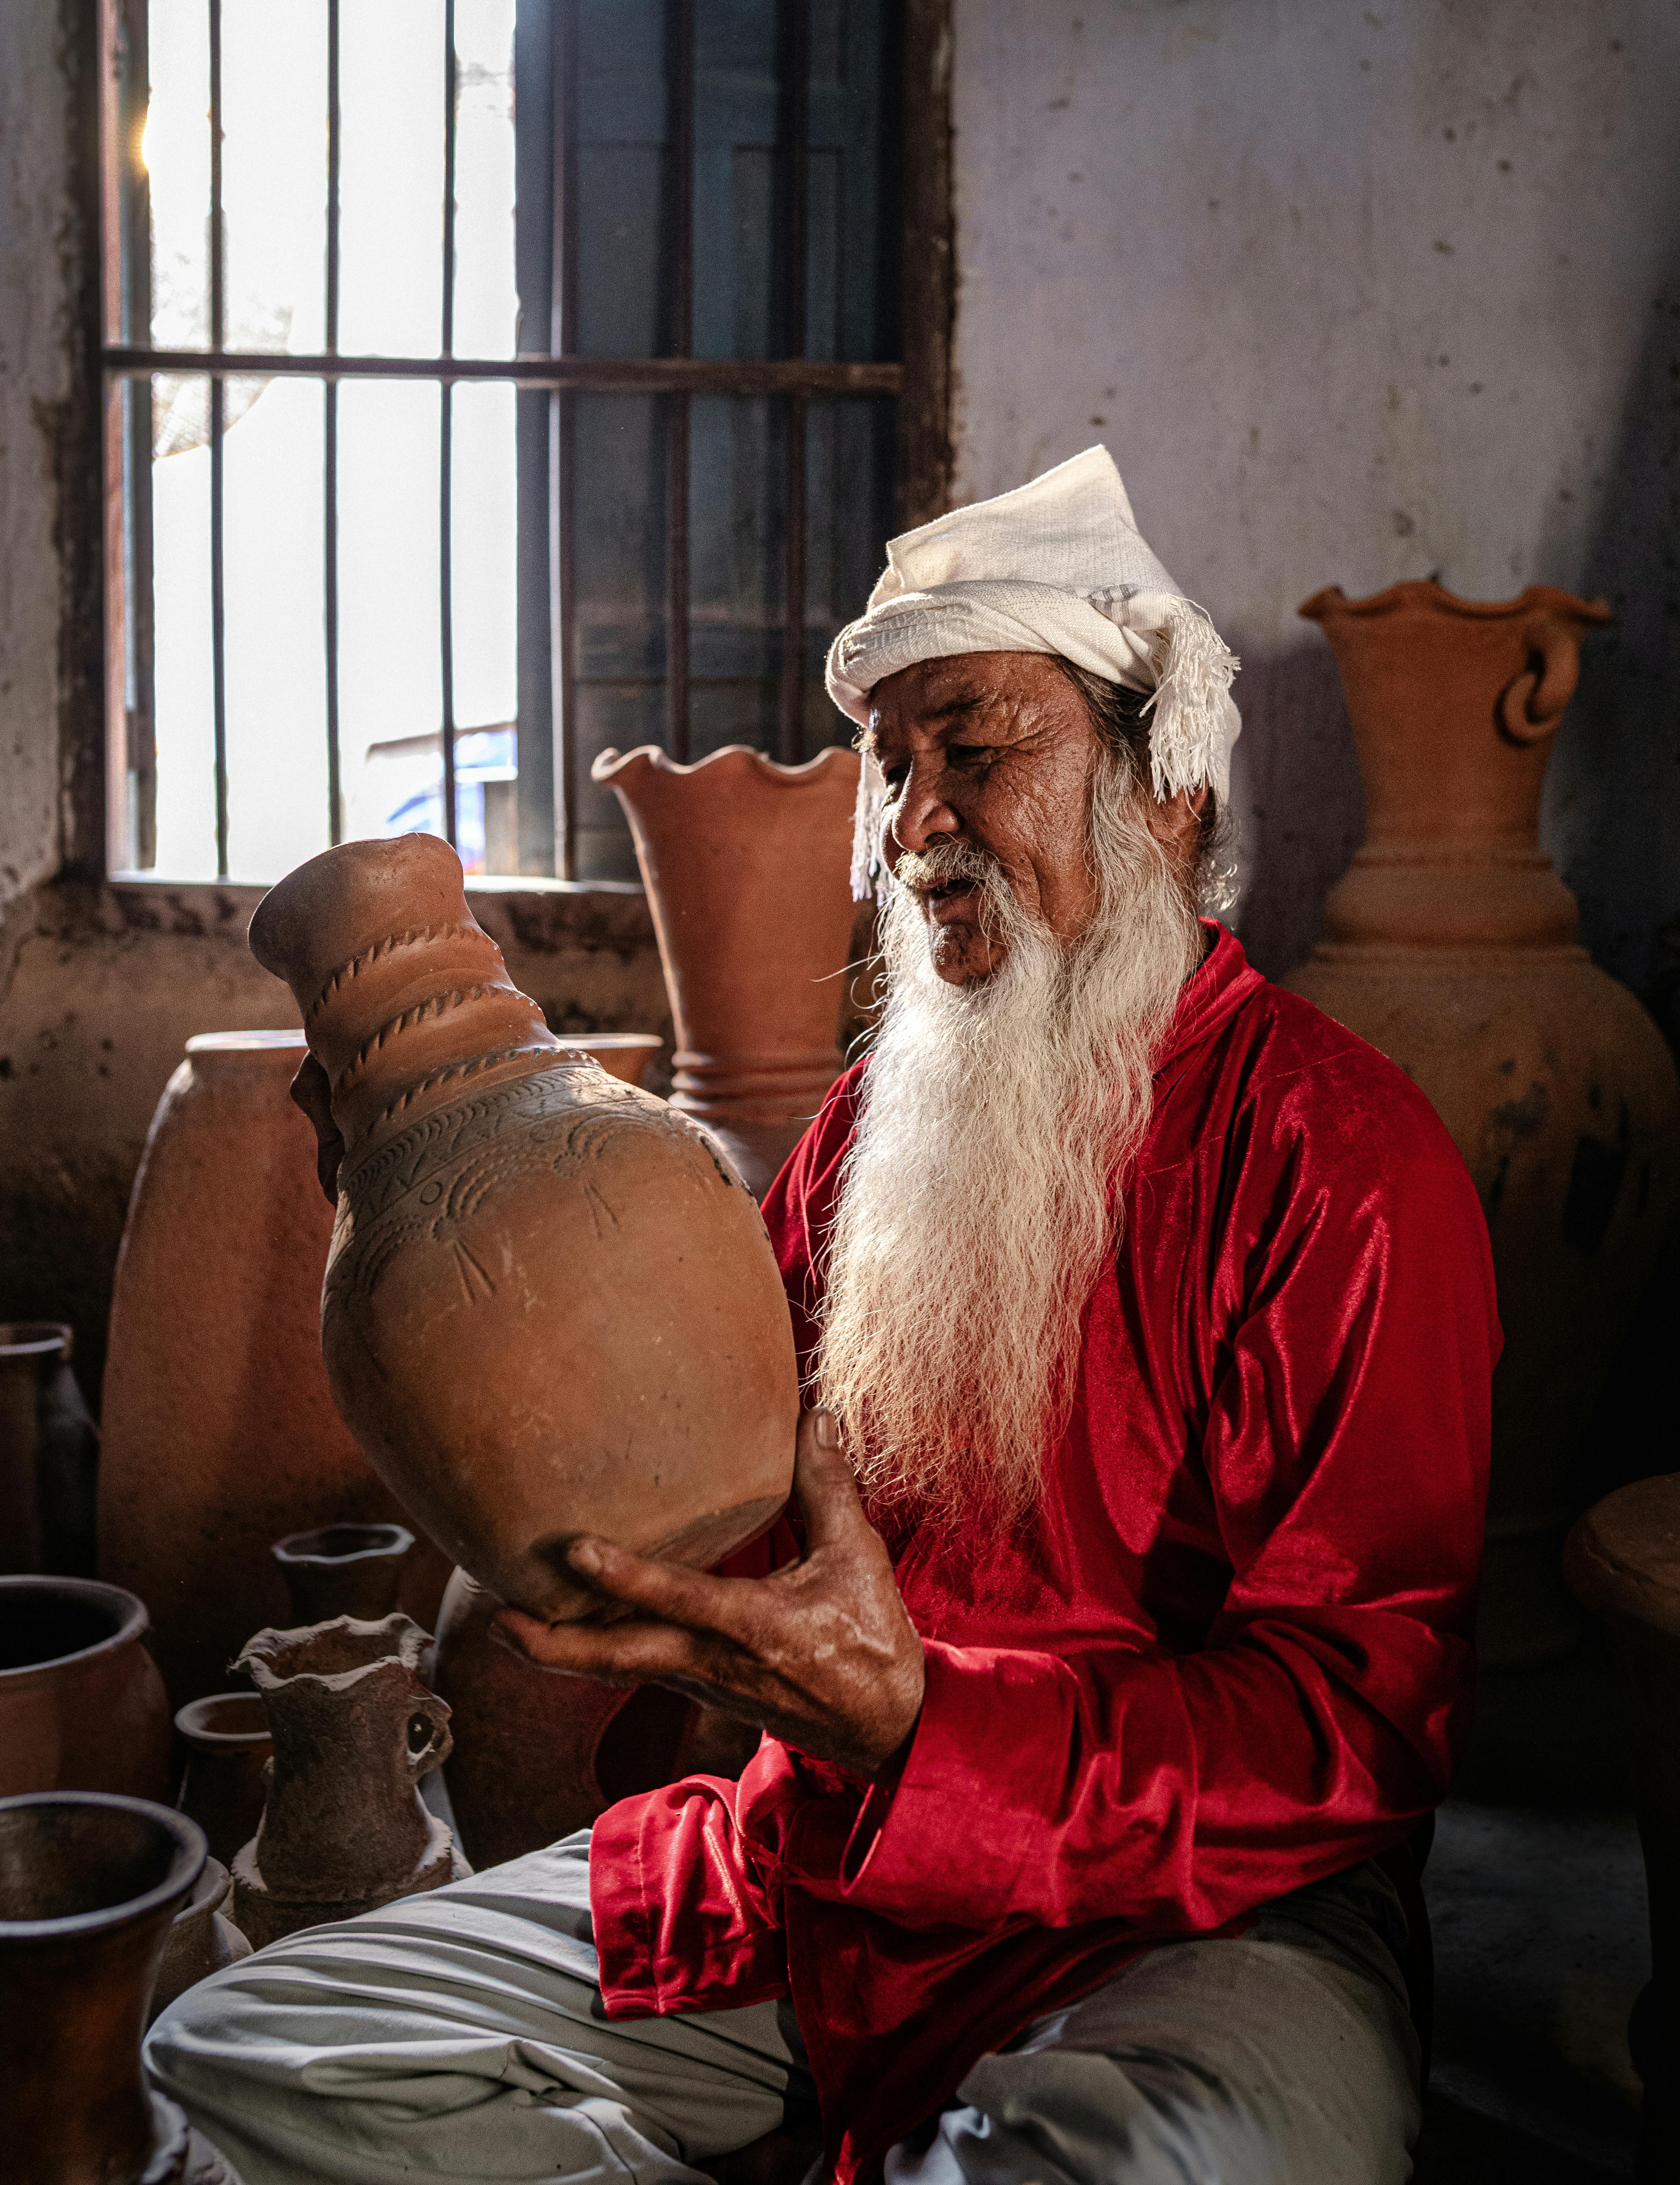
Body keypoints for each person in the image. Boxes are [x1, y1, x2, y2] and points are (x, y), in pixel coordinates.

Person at [147, 446, 1500, 2185]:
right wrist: (456, 1245)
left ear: (1163, 786)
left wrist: (932, 1732)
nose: (916, 821)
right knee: (257, 2045)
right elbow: (689, 1469)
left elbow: (1353, 1735)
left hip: (1188, 1927)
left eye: (976, 747)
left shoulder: (1339, 1160)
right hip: (823, 1869)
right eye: (891, 768)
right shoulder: (870, 1135)